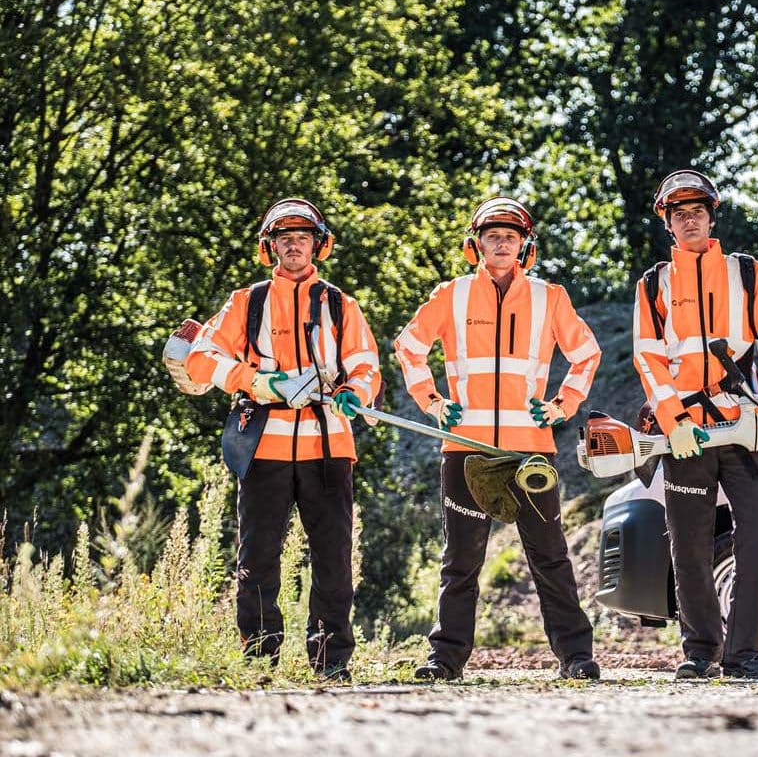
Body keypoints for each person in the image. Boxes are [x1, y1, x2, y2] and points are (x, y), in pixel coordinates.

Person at [631, 170, 758, 680]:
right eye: (679, 214)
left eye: (697, 211)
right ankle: (701, 653)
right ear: (668, 225)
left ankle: (748, 655)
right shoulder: (654, 284)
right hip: (685, 437)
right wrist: (673, 422)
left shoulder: (745, 273)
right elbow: (648, 360)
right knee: (690, 544)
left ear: (711, 215)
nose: (690, 219)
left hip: (743, 425)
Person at [393, 196, 603, 681]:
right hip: (465, 448)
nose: (502, 243)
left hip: (530, 449)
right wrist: (432, 401)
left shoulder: (550, 297)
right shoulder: (452, 295)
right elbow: (409, 347)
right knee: (461, 561)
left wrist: (561, 405)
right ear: (477, 245)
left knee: (549, 554)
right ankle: (444, 660)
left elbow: (586, 353)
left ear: (525, 246)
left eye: (511, 236)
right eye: (493, 236)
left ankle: (576, 656)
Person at [186, 198, 382, 681]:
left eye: (303, 238)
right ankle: (259, 660)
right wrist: (256, 382)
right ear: (269, 246)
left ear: (319, 244)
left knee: (333, 558)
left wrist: (356, 391)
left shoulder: (339, 303)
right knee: (257, 557)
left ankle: (331, 662)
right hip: (264, 447)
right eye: (284, 239)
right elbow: (200, 358)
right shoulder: (246, 302)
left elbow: (365, 363)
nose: (294, 246)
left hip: (329, 444)